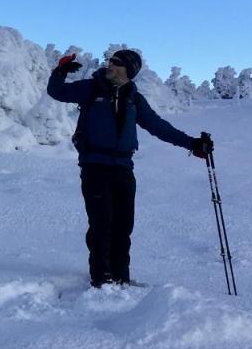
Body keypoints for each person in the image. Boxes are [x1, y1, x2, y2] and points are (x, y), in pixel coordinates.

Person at [47, 49, 213, 288]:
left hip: (124, 168)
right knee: (101, 223)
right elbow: (57, 92)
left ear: (129, 71)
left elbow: (158, 126)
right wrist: (60, 71)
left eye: (116, 63)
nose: (109, 66)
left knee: (123, 225)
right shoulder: (91, 88)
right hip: (95, 166)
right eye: (109, 61)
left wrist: (192, 143)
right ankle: (101, 278)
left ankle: (120, 277)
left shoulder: (134, 98)